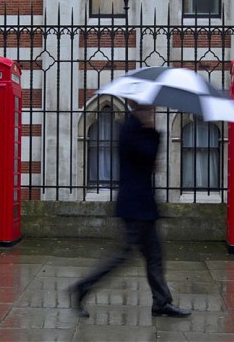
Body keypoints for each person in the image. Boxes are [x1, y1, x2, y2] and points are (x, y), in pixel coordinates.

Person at [70, 101, 191, 318]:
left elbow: (149, 162)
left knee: (154, 255)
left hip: (144, 205)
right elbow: (149, 156)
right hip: (134, 206)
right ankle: (83, 287)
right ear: (141, 109)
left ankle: (161, 302)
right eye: (151, 109)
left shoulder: (137, 129)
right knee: (123, 256)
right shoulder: (130, 129)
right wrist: (154, 132)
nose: (154, 112)